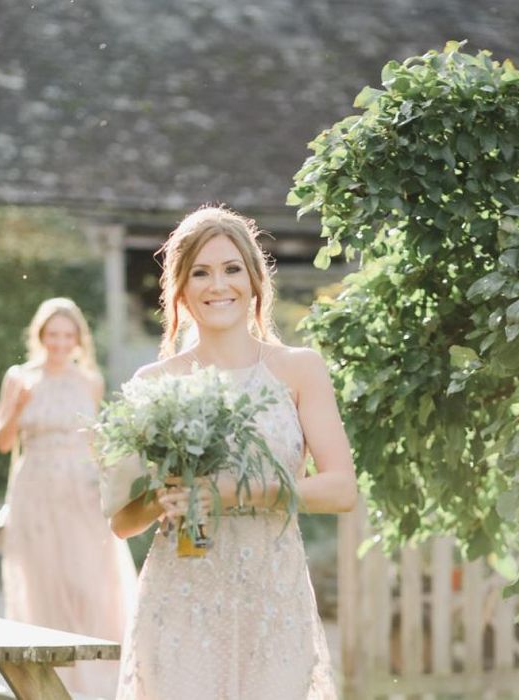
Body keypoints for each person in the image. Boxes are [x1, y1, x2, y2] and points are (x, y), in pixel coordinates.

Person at [100, 206, 358, 700]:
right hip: (183, 598)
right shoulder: (153, 384)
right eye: (201, 272)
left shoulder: (299, 370)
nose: (218, 285)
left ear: (256, 280)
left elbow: (341, 488)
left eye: (231, 269)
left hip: (272, 598)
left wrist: (237, 491)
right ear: (180, 287)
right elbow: (123, 521)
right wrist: (164, 496)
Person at [0, 297, 137, 699]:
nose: (58, 343)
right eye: (51, 334)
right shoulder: (19, 377)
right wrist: (18, 408)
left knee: (88, 580)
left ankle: (94, 678)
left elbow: (96, 443)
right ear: (40, 337)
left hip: (81, 491)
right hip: (34, 491)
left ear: (78, 339)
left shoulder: (89, 381)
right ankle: (43, 678)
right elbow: (2, 442)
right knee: (41, 581)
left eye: (66, 335)